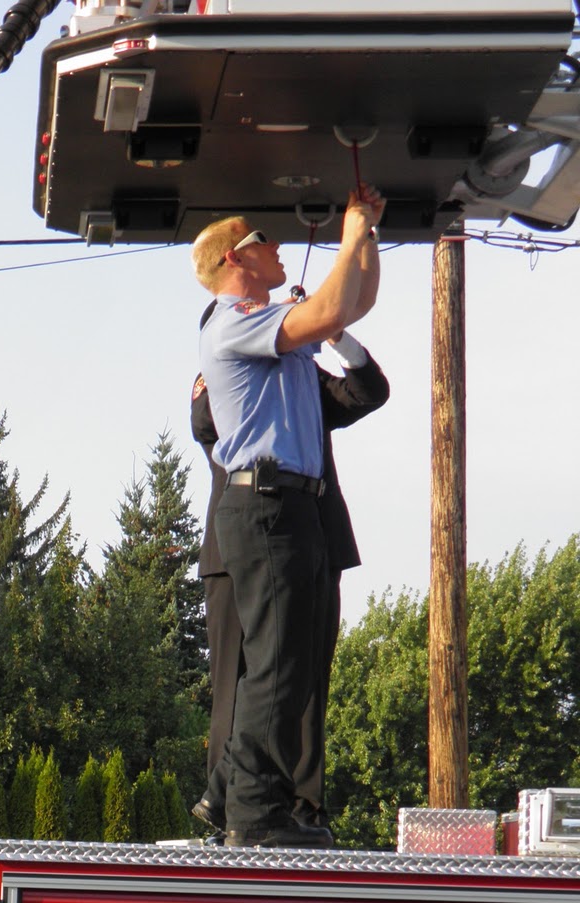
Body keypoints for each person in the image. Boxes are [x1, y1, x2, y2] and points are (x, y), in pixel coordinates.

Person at [190, 188, 383, 847]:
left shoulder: (263, 323)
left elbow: (352, 306)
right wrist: (352, 231)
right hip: (265, 506)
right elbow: (332, 305)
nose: (275, 248)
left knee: (286, 664)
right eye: (261, 242)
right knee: (275, 668)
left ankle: (228, 799)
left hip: (287, 506)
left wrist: (366, 238)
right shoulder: (231, 321)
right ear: (232, 262)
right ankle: (253, 815)